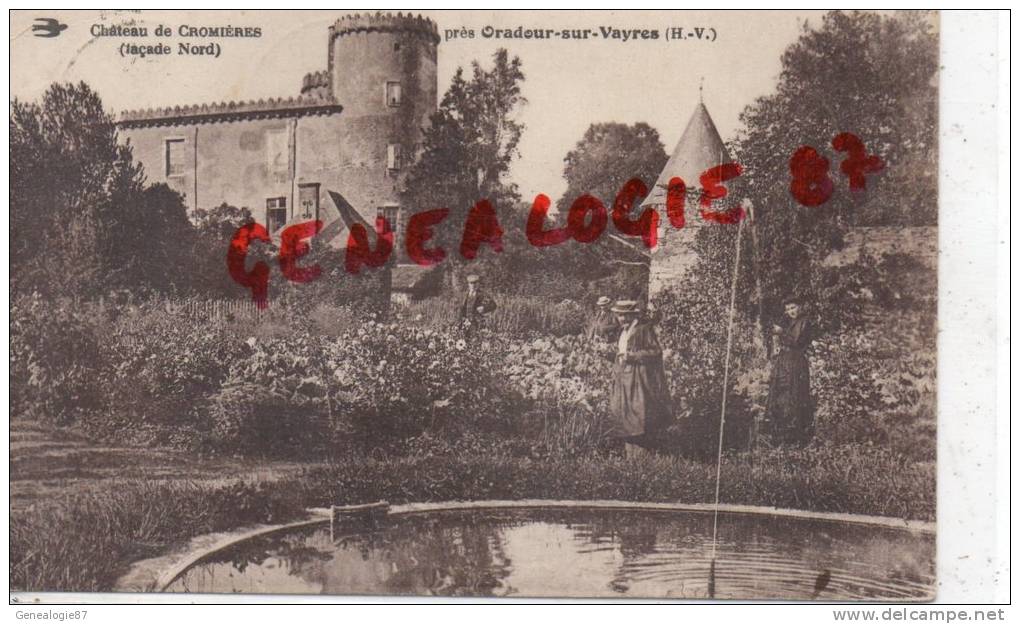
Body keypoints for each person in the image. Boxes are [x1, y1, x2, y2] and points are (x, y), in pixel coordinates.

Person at [607, 300, 671, 458]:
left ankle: (643, 458)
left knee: (639, 416)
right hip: (624, 379)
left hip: (639, 380)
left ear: (632, 315)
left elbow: (655, 352)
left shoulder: (643, 329)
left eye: (624, 315)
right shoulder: (623, 331)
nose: (621, 318)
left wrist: (632, 356)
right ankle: (632, 458)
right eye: (619, 315)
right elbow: (622, 353)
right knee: (624, 416)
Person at [763, 296, 815, 446]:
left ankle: (797, 438)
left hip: (796, 363)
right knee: (780, 396)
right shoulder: (790, 322)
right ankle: (780, 437)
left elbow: (796, 341)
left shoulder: (805, 321)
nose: (790, 311)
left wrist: (781, 332)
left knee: (795, 397)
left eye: (793, 308)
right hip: (784, 362)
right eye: (788, 309)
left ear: (800, 307)